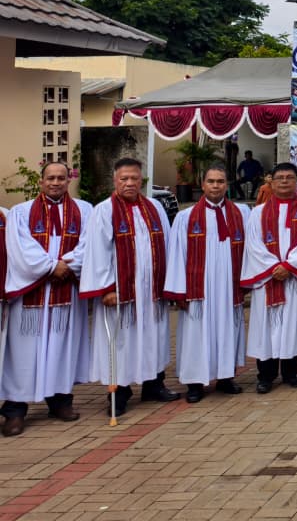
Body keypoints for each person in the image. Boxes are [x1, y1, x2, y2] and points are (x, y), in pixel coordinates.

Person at [79, 157, 179, 416]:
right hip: (121, 292)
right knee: (121, 341)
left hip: (151, 291)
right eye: (124, 179)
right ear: (115, 180)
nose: (129, 183)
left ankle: (154, 384)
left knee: (154, 336)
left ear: (141, 180)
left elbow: (167, 245)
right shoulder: (104, 211)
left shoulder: (155, 208)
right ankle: (119, 392)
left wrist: (168, 284)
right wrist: (106, 288)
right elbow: (97, 252)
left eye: (134, 178)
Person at [1, 161, 92, 435]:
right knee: (22, 352)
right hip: (30, 293)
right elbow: (19, 248)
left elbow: (89, 244)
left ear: (68, 181)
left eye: (61, 178)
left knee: (62, 348)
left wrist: (67, 265)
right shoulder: (21, 212)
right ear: (41, 181)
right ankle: (15, 410)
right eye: (50, 178)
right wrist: (51, 267)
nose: (55, 182)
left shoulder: (84, 211)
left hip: (66, 293)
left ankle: (60, 401)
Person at [162, 164, 250, 403]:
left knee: (227, 329)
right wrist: (179, 290)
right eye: (211, 181)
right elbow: (176, 254)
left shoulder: (241, 213)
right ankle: (194, 383)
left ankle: (225, 376)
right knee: (195, 334)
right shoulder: (186, 217)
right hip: (198, 288)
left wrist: (246, 280)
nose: (215, 186)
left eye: (220, 181)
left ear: (226, 185)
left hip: (228, 286)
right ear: (203, 185)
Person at [242, 163, 297, 393]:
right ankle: (265, 376)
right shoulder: (258, 213)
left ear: (296, 181)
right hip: (268, 280)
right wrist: (274, 267)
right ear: (272, 182)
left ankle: (291, 373)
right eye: (280, 178)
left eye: (289, 177)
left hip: (294, 279)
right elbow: (254, 245)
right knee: (266, 328)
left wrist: (288, 266)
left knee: (294, 325)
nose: (284, 181)